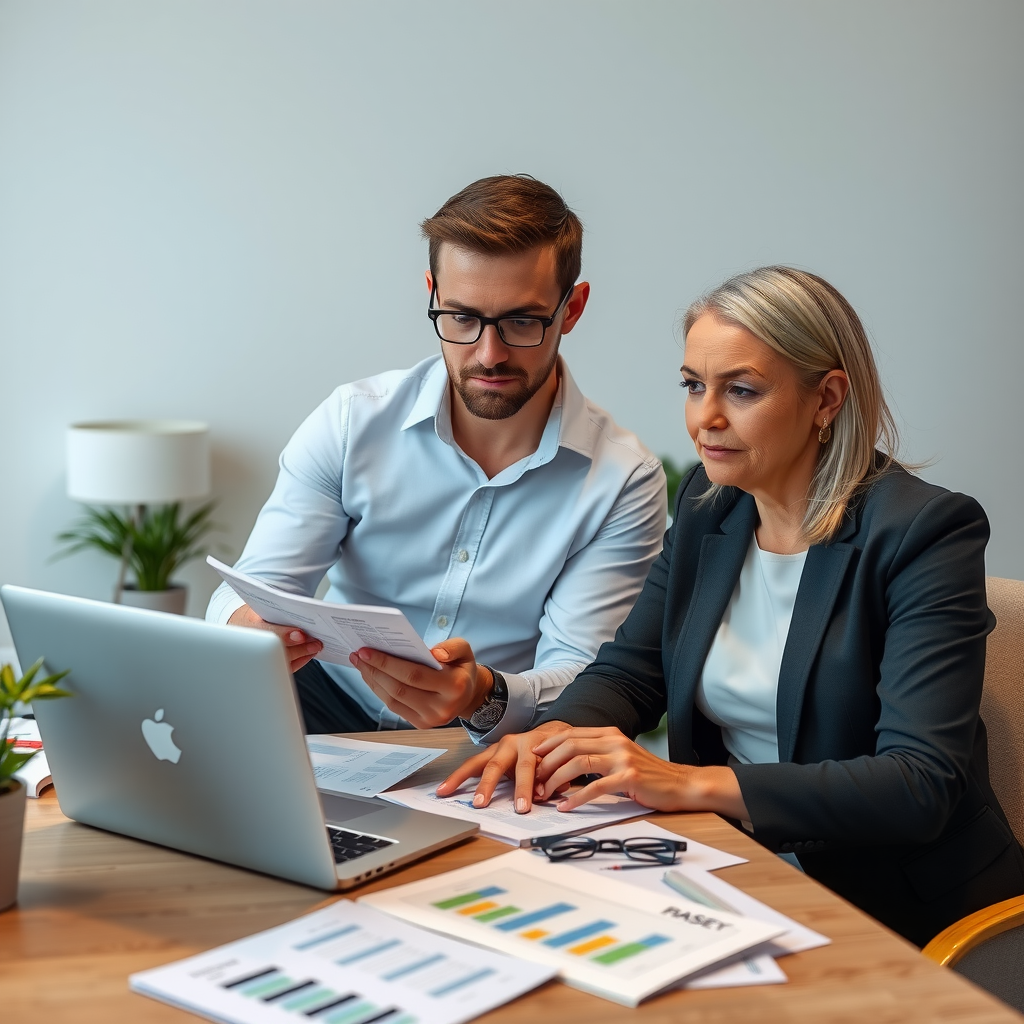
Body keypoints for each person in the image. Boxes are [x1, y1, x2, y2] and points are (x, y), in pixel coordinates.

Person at [440, 265, 1024, 945]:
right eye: (693, 386)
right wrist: (547, 741)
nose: (704, 419)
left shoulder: (924, 532)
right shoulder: (708, 503)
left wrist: (689, 785)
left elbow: (918, 785)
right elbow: (631, 672)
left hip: (909, 914)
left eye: (741, 391)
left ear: (827, 398)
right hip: (740, 876)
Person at [207, 174, 667, 741]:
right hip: (316, 708)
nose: (488, 353)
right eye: (462, 318)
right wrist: (245, 625)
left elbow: (585, 675)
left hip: (479, 740)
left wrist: (483, 694)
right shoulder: (354, 421)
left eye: (522, 321)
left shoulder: (623, 479)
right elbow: (250, 588)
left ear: (571, 309)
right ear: (433, 294)